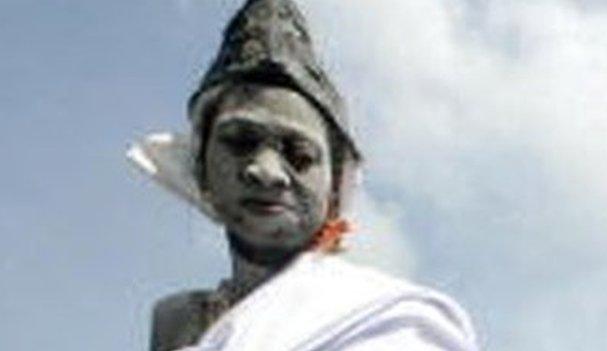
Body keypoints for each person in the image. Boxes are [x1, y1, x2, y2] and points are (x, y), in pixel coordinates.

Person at [127, 0, 478, 350]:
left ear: (335, 191)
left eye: (300, 155)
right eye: (240, 141)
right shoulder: (178, 321)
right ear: (201, 169)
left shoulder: (387, 318)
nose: (266, 171)